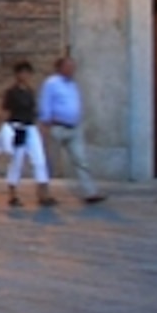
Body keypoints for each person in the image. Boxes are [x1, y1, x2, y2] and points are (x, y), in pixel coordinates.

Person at [41, 53, 105, 204]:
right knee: (50, 162)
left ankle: (90, 192)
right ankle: (43, 193)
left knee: (81, 161)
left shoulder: (73, 84)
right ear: (60, 68)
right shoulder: (51, 83)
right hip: (57, 128)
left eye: (73, 66)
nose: (72, 69)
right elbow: (45, 103)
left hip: (74, 128)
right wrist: (46, 121)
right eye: (69, 66)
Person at [0, 59, 56, 208]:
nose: (25, 75)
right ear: (17, 74)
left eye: (27, 72)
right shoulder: (11, 92)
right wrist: (7, 131)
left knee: (39, 160)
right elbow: (6, 111)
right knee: (17, 161)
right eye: (22, 72)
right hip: (17, 127)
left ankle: (43, 193)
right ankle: (13, 194)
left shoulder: (30, 91)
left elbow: (33, 110)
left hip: (30, 127)